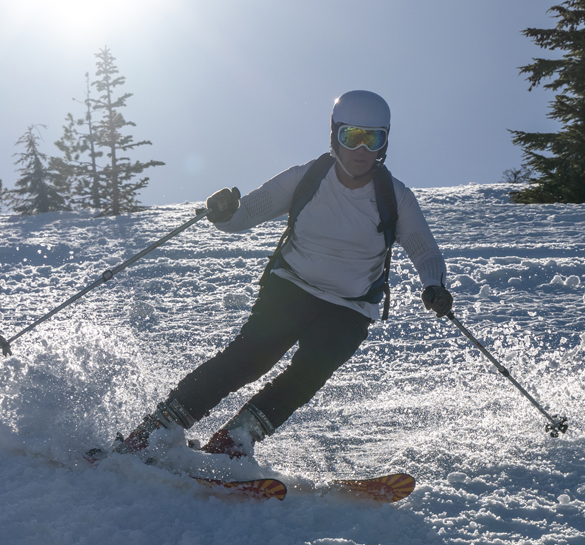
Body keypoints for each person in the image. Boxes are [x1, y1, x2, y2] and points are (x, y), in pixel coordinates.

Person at [114, 89, 453, 459]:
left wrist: (434, 285)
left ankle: (233, 441)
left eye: (372, 139)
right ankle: (155, 430)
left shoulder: (395, 197)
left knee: (309, 373)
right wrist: (224, 212)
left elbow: (424, 249)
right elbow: (244, 215)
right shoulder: (308, 177)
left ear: (384, 142)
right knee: (248, 359)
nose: (360, 149)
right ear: (334, 135)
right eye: (351, 136)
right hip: (291, 287)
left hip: (351, 307)